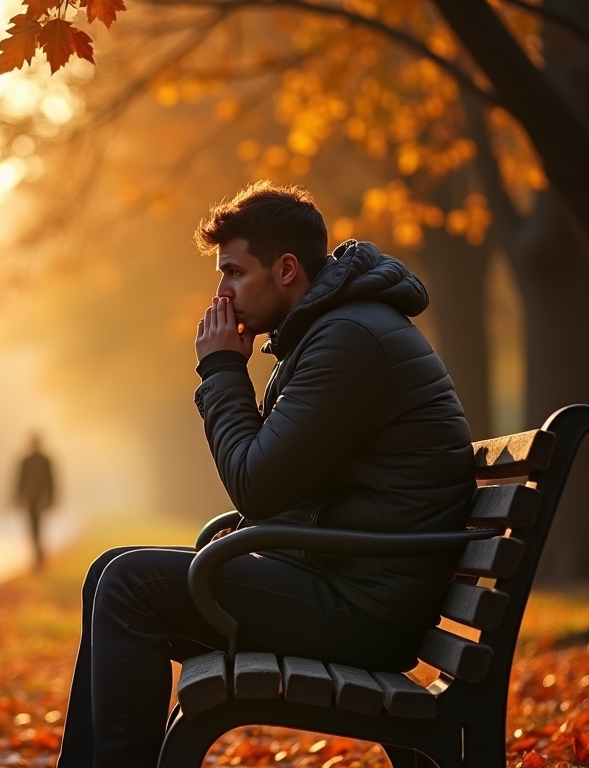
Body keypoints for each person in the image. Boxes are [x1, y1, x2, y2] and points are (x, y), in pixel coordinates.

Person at [56, 182, 476, 768]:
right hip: (354, 583)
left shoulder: (348, 340)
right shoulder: (332, 332)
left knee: (130, 583)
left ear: (285, 270)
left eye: (232, 272)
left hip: (367, 612)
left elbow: (255, 480)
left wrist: (223, 369)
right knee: (109, 571)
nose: (221, 293)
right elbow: (293, 482)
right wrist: (258, 529)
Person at [13, 433, 56, 572]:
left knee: (38, 528)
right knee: (32, 528)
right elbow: (19, 480)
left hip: (41, 498)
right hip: (30, 498)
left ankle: (38, 557)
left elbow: (51, 481)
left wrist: (50, 499)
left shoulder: (46, 460)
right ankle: (37, 557)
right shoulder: (25, 460)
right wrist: (18, 498)